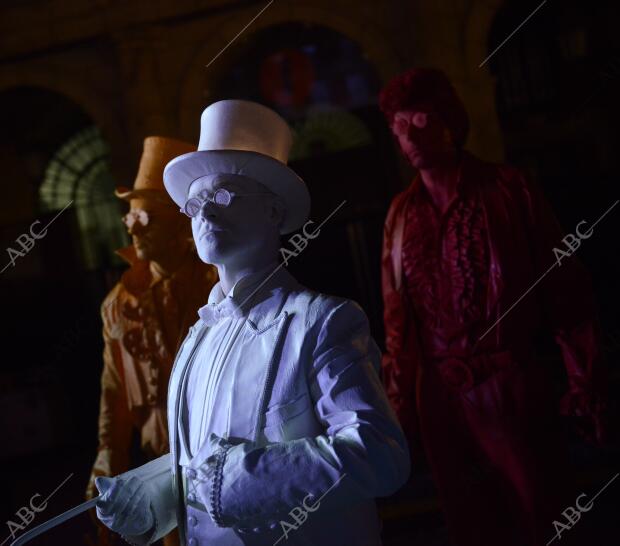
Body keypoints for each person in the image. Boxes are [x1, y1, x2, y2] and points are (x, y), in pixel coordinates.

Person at [93, 99, 410, 546]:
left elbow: (380, 455)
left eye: (224, 193)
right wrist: (157, 490)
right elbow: (205, 464)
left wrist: (246, 478)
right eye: (197, 200)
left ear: (275, 211)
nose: (206, 211)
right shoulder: (197, 341)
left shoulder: (321, 322)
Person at [379, 67, 607, 546]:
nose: (411, 136)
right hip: (440, 399)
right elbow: (399, 327)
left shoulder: (507, 189)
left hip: (511, 388)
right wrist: (401, 414)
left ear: (448, 121)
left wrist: (587, 383)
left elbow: (564, 291)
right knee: (469, 528)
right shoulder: (400, 214)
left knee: (542, 517)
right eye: (400, 127)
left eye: (420, 120)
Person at [86, 136, 218, 546]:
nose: (132, 227)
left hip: (223, 459)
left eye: (146, 219)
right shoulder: (120, 306)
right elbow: (114, 388)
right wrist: (109, 456)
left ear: (180, 223)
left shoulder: (219, 287)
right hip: (160, 469)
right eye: (129, 218)